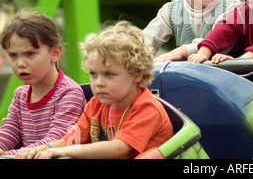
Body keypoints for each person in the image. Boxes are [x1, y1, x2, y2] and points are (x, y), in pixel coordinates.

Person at [14, 20, 173, 159]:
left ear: (136, 74)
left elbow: (118, 148)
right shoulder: (96, 105)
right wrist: (40, 149)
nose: (99, 83)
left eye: (108, 74)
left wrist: (62, 152)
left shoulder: (146, 108)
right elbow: (68, 141)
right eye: (93, 74)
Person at [0, 10, 85, 156]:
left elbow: (59, 139)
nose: (20, 63)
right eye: (13, 55)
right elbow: (10, 130)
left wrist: (10, 155)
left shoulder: (69, 93)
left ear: (55, 53)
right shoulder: (20, 94)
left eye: (30, 54)